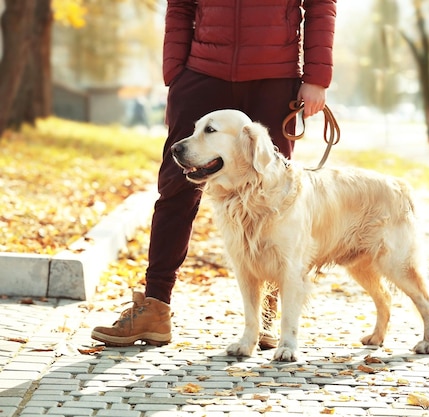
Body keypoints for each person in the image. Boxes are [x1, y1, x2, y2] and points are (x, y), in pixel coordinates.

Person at [91, 0, 336, 348]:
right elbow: (180, 6)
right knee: (176, 189)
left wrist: (316, 77)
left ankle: (267, 313)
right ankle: (155, 306)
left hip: (274, 76)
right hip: (203, 72)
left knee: (272, 193)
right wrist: (176, 73)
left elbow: (320, 5)